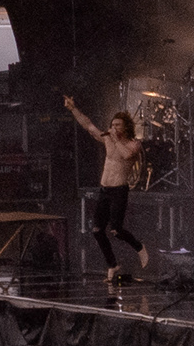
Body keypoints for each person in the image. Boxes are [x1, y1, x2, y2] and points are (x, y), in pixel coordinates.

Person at [60, 96, 149, 282]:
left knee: (116, 229)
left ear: (126, 127)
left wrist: (114, 139)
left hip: (119, 190)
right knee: (97, 230)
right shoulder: (108, 140)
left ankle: (139, 247)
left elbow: (126, 155)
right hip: (105, 190)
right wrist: (73, 108)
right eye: (113, 124)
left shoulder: (134, 144)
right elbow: (88, 125)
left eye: (118, 125)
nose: (114, 128)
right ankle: (112, 264)